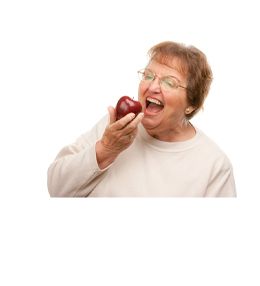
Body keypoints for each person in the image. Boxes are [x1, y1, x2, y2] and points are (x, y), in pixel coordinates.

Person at [47, 41, 236, 197]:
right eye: (148, 75)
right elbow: (57, 189)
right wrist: (106, 149)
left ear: (191, 104)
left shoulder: (214, 165)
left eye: (169, 82)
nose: (152, 87)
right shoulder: (115, 127)